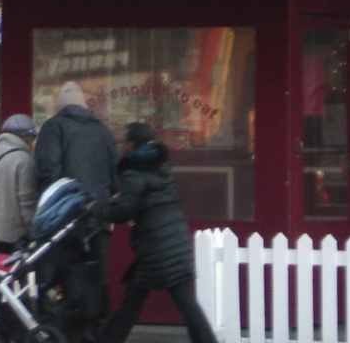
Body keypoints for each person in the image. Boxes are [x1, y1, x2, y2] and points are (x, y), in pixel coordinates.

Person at [96, 123, 218, 343]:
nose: (120, 145)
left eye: (123, 141)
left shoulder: (135, 172)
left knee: (182, 301)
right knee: (136, 301)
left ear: (131, 144)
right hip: (169, 237)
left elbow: (124, 211)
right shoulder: (159, 165)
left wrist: (97, 209)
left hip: (159, 245)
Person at [35, 80, 120, 297]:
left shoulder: (54, 127)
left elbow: (49, 174)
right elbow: (116, 179)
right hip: (99, 220)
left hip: (66, 221)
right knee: (95, 283)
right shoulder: (103, 132)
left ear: (60, 107)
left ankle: (65, 316)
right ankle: (93, 318)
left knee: (62, 283)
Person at [0, 113, 39, 253]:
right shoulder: (24, 160)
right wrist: (35, 230)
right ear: (24, 135)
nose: (33, 141)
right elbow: (27, 202)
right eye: (32, 137)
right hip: (13, 234)